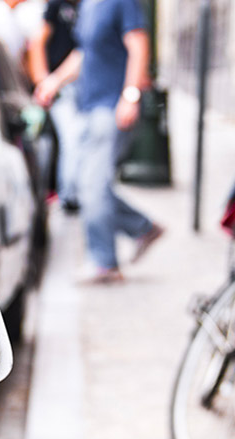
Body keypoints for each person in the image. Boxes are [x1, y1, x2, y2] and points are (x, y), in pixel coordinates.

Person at [35, 0, 164, 283]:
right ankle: (142, 228)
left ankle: (104, 262)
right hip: (88, 106)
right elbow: (84, 53)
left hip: (111, 106)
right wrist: (54, 82)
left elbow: (139, 46)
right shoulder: (89, 5)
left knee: (94, 184)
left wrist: (130, 96)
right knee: (80, 185)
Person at [29, 0, 80, 213]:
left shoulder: (89, 6)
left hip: (74, 85)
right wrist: (43, 81)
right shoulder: (57, 5)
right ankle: (70, 196)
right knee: (71, 139)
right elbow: (37, 42)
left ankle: (70, 193)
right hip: (62, 88)